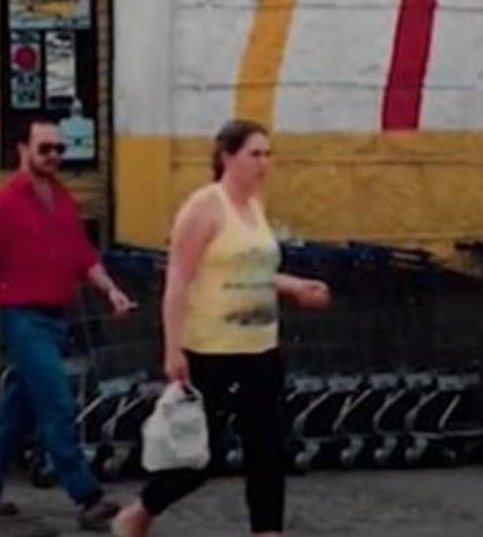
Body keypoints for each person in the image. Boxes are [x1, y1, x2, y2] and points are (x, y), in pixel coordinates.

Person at [112, 120, 331, 537]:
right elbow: (178, 279)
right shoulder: (204, 207)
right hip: (212, 349)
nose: (263, 163)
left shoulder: (255, 207)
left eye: (268, 155)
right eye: (254, 154)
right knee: (202, 455)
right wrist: (172, 348)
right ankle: (140, 511)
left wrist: (295, 286)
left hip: (261, 347)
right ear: (227, 157)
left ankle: (267, 531)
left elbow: (253, 271)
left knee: (267, 451)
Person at [0, 118, 135, 531]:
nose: (54, 156)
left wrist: (111, 291)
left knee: (19, 408)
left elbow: (83, 256)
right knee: (56, 403)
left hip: (53, 317)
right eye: (45, 148)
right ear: (22, 150)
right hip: (22, 317)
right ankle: (87, 496)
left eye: (59, 149)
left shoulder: (62, 199)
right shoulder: (4, 203)